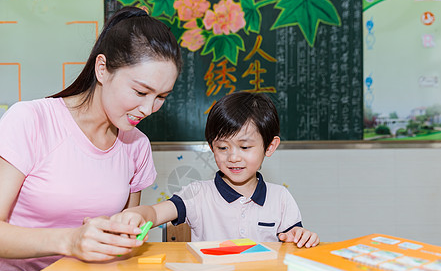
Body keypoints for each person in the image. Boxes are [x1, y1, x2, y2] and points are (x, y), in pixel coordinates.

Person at [0, 6, 182, 271]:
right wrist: (70, 241)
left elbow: (124, 241)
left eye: (161, 97)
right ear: (102, 69)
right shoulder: (31, 120)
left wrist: (123, 236)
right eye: (140, 92)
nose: (148, 109)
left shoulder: (136, 146)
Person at [112, 92, 320, 248]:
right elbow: (157, 212)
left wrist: (301, 237)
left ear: (270, 146)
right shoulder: (198, 194)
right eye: (222, 147)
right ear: (211, 147)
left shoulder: (281, 198)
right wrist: (140, 213)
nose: (233, 157)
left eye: (245, 147)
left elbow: (292, 242)